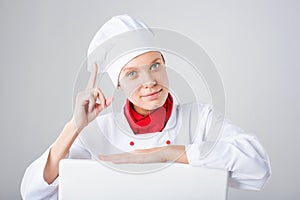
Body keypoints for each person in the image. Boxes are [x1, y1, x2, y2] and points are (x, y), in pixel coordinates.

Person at [21, 14, 271, 200]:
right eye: (132, 74)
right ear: (118, 85)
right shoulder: (100, 133)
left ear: (164, 64)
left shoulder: (199, 118)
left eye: (154, 66)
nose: (150, 82)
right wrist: (75, 126)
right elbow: (33, 193)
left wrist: (172, 153)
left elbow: (258, 166)